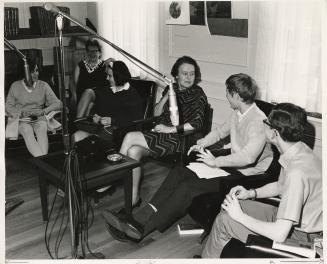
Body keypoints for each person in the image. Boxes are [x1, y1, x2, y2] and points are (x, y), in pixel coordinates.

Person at [102, 73, 273, 242]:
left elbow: (248, 158)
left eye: (228, 92)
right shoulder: (239, 112)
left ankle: (143, 229)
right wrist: (202, 143)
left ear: (236, 95)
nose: (226, 95)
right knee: (179, 172)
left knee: (188, 187)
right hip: (230, 167)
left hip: (248, 176)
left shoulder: (258, 121)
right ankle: (139, 217)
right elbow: (220, 132)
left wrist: (215, 162)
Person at [202, 103, 322, 258]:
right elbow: (280, 187)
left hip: (301, 238)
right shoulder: (300, 150)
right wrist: (250, 193)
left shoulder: (296, 172)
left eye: (267, 122)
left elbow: (279, 234)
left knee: (224, 220)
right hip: (294, 223)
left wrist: (240, 217)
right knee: (229, 207)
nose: (263, 123)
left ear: (274, 133)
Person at [117, 56, 208, 206]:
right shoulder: (170, 89)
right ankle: (133, 200)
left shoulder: (198, 94)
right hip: (160, 134)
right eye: (184, 73)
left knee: (129, 137)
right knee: (133, 152)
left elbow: (196, 124)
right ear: (176, 75)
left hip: (179, 139)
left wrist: (169, 129)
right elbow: (157, 113)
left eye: (192, 73)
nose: (188, 77)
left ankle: (114, 174)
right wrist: (168, 94)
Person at [73, 60, 143, 146]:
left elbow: (136, 121)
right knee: (76, 136)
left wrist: (112, 120)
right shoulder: (106, 91)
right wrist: (96, 117)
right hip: (100, 129)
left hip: (118, 133)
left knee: (88, 141)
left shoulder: (132, 95)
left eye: (110, 76)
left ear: (118, 76)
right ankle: (74, 159)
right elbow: (97, 110)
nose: (107, 78)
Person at [5, 57, 62, 157]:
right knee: (27, 131)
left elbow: (58, 104)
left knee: (41, 128)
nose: (36, 74)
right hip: (22, 120)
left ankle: (42, 161)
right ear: (25, 72)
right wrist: (20, 113)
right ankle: (44, 161)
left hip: (39, 117)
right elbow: (7, 106)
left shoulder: (43, 85)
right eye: (32, 72)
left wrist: (44, 111)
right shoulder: (15, 86)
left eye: (37, 70)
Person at [73, 38, 109, 104]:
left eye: (95, 51)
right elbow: (75, 85)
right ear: (86, 52)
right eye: (90, 51)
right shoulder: (80, 66)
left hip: (100, 101)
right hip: (82, 101)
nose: (92, 54)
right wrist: (74, 95)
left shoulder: (105, 65)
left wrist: (112, 60)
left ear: (100, 53)